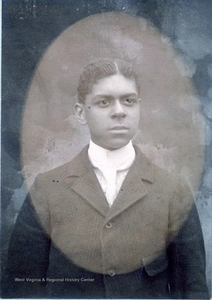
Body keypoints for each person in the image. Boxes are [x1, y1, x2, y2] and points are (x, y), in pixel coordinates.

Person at [2, 59, 209, 299]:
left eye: (128, 101)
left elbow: (193, 291)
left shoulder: (174, 192)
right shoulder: (46, 190)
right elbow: (20, 291)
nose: (119, 111)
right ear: (81, 112)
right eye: (104, 102)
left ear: (139, 108)